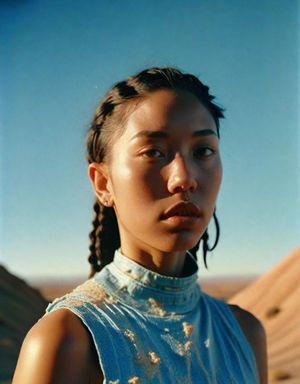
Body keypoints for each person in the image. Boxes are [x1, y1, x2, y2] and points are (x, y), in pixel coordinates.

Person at [13, 67, 268, 383]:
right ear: (103, 183)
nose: (184, 178)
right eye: (154, 152)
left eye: (203, 151)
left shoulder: (244, 334)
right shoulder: (65, 341)